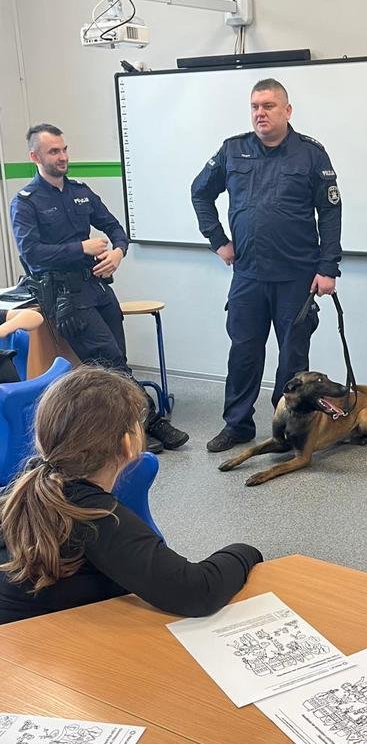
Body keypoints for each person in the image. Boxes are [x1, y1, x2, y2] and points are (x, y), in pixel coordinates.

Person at [0, 365, 262, 625]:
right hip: (34, 651)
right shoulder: (95, 516)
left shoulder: (24, 485)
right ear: (128, 444)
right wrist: (246, 551)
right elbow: (196, 590)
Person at [10, 124, 189, 454]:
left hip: (97, 288)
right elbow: (32, 254)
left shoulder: (80, 191)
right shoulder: (26, 202)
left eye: (64, 149)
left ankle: (123, 427)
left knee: (116, 360)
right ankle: (151, 422)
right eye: (53, 151)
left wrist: (118, 252)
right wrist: (81, 248)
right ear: (35, 156)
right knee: (109, 361)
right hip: (66, 297)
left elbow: (116, 229)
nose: (62, 156)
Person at [191, 78, 342, 452]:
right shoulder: (233, 150)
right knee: (243, 352)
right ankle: (237, 425)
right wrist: (218, 241)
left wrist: (328, 267)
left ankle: (288, 429)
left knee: (293, 358)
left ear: (287, 111)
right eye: (256, 106)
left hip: (297, 276)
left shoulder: (311, 154)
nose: (261, 112)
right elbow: (200, 192)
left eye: (269, 106)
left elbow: (331, 212)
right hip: (249, 276)